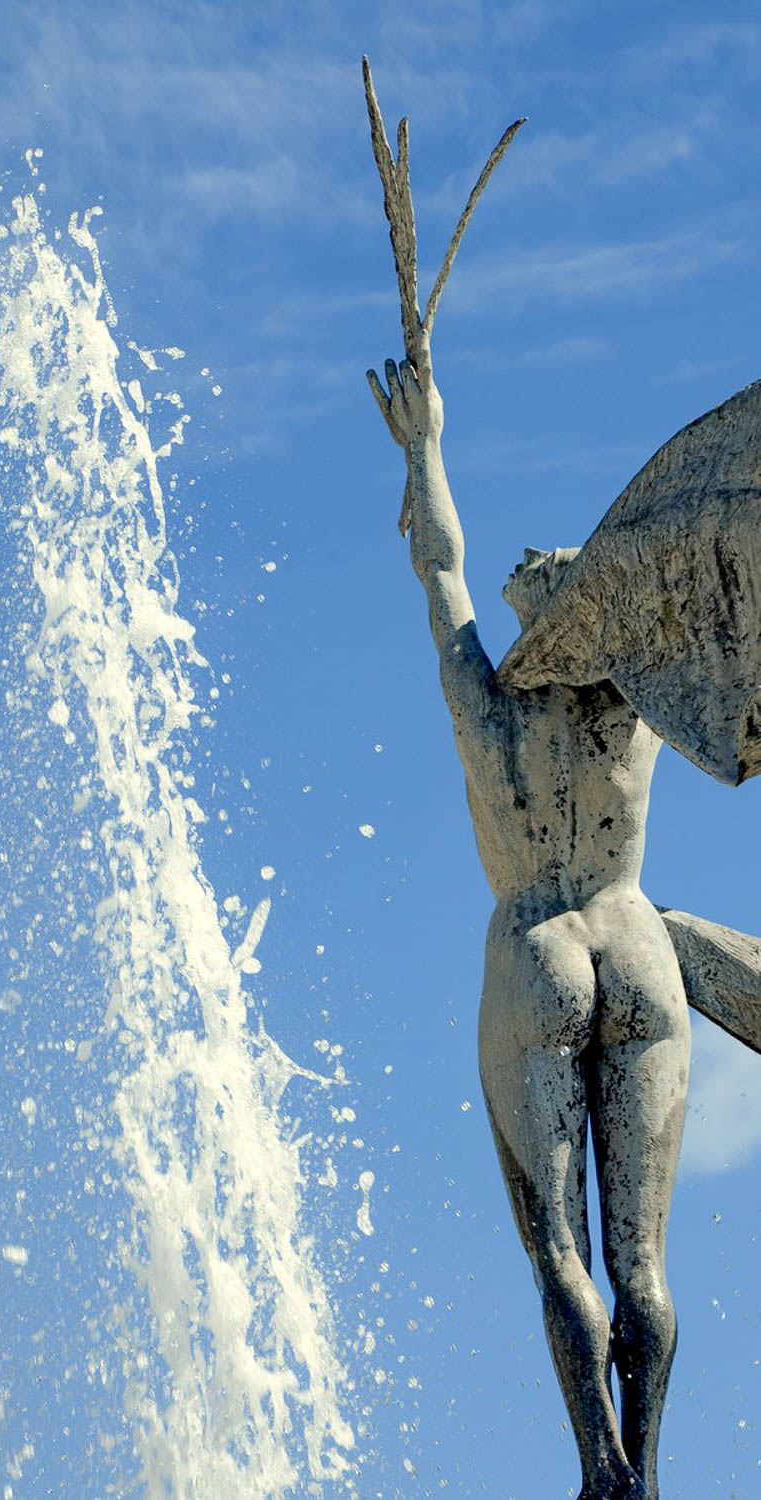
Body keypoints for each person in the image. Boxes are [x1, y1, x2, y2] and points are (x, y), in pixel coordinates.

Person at [368, 334, 690, 1500]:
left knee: (561, 1246)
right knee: (641, 1261)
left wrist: (424, 448)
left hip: (536, 945)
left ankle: (601, 1469)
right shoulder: (639, 694)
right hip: (637, 945)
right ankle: (648, 1471)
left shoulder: (484, 702)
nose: (531, 558)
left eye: (548, 562)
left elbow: (440, 570)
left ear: (558, 604)